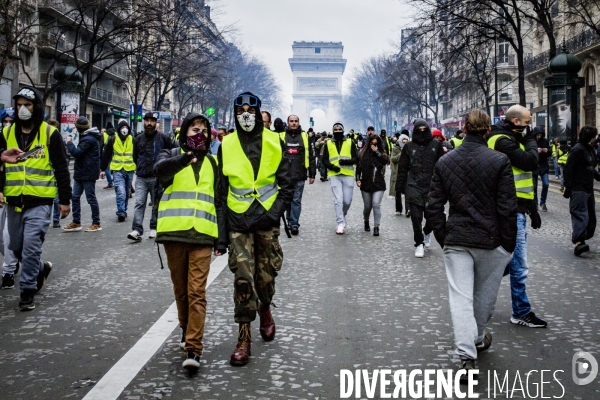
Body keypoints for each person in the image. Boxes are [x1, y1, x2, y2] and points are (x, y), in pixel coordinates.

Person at [426, 109, 517, 381]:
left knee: (461, 299)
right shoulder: (500, 161)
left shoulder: (445, 161)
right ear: (488, 130)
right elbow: (507, 208)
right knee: (484, 300)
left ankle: (467, 356)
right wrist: (507, 246)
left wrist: (445, 237)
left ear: (463, 128)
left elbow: (433, 206)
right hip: (491, 241)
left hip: (458, 239)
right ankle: (476, 338)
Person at [216, 92, 292, 367]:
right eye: (241, 110)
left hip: (266, 219)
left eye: (250, 109)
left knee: (265, 277)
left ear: (260, 112)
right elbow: (221, 191)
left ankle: (266, 307)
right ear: (235, 113)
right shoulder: (226, 144)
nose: (245, 114)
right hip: (238, 219)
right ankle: (244, 336)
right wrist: (221, 238)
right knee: (243, 279)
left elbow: (288, 184)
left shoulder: (275, 141)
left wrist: (273, 215)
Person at [154, 112, 227, 370]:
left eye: (204, 130)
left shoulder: (215, 163)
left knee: (197, 292)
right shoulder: (171, 154)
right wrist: (184, 158)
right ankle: (186, 328)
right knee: (181, 291)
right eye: (194, 129)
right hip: (174, 233)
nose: (200, 134)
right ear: (184, 132)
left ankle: (194, 348)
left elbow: (219, 201)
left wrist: (221, 239)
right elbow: (159, 172)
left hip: (203, 236)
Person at [0, 86, 72, 311]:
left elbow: (61, 168)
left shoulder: (50, 134)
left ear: (37, 107)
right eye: (19, 105)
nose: (22, 109)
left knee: (31, 248)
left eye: (27, 105)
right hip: (13, 202)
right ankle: (40, 269)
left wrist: (65, 200)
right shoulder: (6, 133)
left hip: (40, 202)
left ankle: (27, 291)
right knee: (16, 246)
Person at [488, 104, 547, 328]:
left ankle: (479, 296)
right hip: (508, 210)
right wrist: (532, 140)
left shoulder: (513, 138)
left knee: (506, 263)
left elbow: (524, 178)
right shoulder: (501, 140)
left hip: (518, 209)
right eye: (527, 122)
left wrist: (533, 210)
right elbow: (530, 162)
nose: (529, 127)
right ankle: (521, 311)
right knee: (518, 265)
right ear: (516, 122)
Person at [396, 119, 445, 257]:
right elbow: (403, 168)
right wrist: (400, 188)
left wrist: (444, 186)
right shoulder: (409, 147)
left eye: (424, 129)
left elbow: (443, 166)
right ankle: (419, 243)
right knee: (416, 216)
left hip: (432, 185)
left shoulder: (436, 145)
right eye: (419, 130)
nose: (422, 132)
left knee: (432, 216)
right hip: (414, 185)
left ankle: (427, 231)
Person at [128, 112, 174, 241]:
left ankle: (154, 227)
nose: (149, 123)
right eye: (147, 120)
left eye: (152, 121)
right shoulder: (138, 139)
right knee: (139, 203)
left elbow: (170, 156)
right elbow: (135, 157)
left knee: (156, 204)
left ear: (156, 122)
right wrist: (141, 167)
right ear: (144, 122)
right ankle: (137, 229)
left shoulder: (164, 138)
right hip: (141, 177)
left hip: (157, 177)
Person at [563, 126, 600, 256]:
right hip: (578, 188)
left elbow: (590, 167)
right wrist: (567, 187)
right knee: (580, 214)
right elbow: (568, 168)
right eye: (593, 137)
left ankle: (582, 238)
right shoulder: (577, 149)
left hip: (588, 188)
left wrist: (597, 176)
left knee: (590, 217)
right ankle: (579, 243)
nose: (594, 139)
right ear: (589, 137)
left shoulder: (589, 150)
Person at [62, 116, 102, 232]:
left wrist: (69, 143)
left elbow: (76, 152)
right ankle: (76, 221)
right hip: (81, 172)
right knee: (75, 197)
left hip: (87, 173)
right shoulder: (87, 137)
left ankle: (96, 222)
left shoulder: (88, 139)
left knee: (90, 198)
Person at [279, 115, 316, 235]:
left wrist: (312, 173)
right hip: (285, 174)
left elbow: (311, 156)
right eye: (291, 121)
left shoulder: (305, 136)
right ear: (287, 122)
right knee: (288, 199)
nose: (294, 123)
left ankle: (294, 223)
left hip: (300, 173)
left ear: (299, 122)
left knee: (296, 200)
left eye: (296, 121)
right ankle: (290, 220)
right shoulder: (280, 136)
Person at [321, 122, 358, 234]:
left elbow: (356, 158)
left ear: (343, 130)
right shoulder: (328, 144)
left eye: (339, 130)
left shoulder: (350, 142)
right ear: (333, 131)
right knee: (338, 200)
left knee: (347, 201)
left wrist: (346, 161)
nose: (337, 131)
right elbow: (324, 160)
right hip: (334, 175)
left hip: (348, 174)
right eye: (335, 130)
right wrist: (332, 167)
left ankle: (343, 215)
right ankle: (340, 223)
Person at [101, 120, 136, 222]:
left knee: (126, 191)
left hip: (129, 170)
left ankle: (123, 209)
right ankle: (121, 211)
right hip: (117, 169)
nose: (124, 129)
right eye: (122, 127)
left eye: (126, 127)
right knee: (120, 191)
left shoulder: (132, 139)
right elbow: (106, 154)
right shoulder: (113, 139)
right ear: (119, 129)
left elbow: (137, 154)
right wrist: (103, 169)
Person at [356, 135, 389, 236]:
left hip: (378, 183)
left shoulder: (382, 153)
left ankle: (376, 226)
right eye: (371, 143)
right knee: (367, 206)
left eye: (375, 144)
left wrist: (377, 152)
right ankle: (366, 220)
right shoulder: (362, 153)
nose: (373, 145)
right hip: (366, 183)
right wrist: (357, 179)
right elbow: (358, 167)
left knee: (376, 204)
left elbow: (385, 161)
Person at [390, 132, 409, 215]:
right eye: (403, 142)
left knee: (408, 192)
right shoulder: (395, 149)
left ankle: (408, 209)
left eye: (406, 142)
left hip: (406, 173)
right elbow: (393, 159)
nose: (404, 144)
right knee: (397, 192)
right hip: (397, 173)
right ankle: (398, 209)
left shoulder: (409, 148)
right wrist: (401, 154)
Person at [532, 126, 550, 212]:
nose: (539, 136)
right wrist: (536, 150)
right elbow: (528, 152)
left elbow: (550, 152)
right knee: (534, 187)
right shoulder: (531, 141)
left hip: (543, 165)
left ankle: (543, 202)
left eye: (540, 135)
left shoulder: (545, 141)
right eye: (537, 135)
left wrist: (547, 151)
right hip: (534, 166)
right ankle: (535, 204)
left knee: (546, 184)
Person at [102, 122, 116, 189]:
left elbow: (102, 144)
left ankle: (110, 182)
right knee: (114, 168)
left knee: (107, 168)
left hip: (106, 152)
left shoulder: (104, 134)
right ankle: (115, 181)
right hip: (114, 153)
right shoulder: (116, 134)